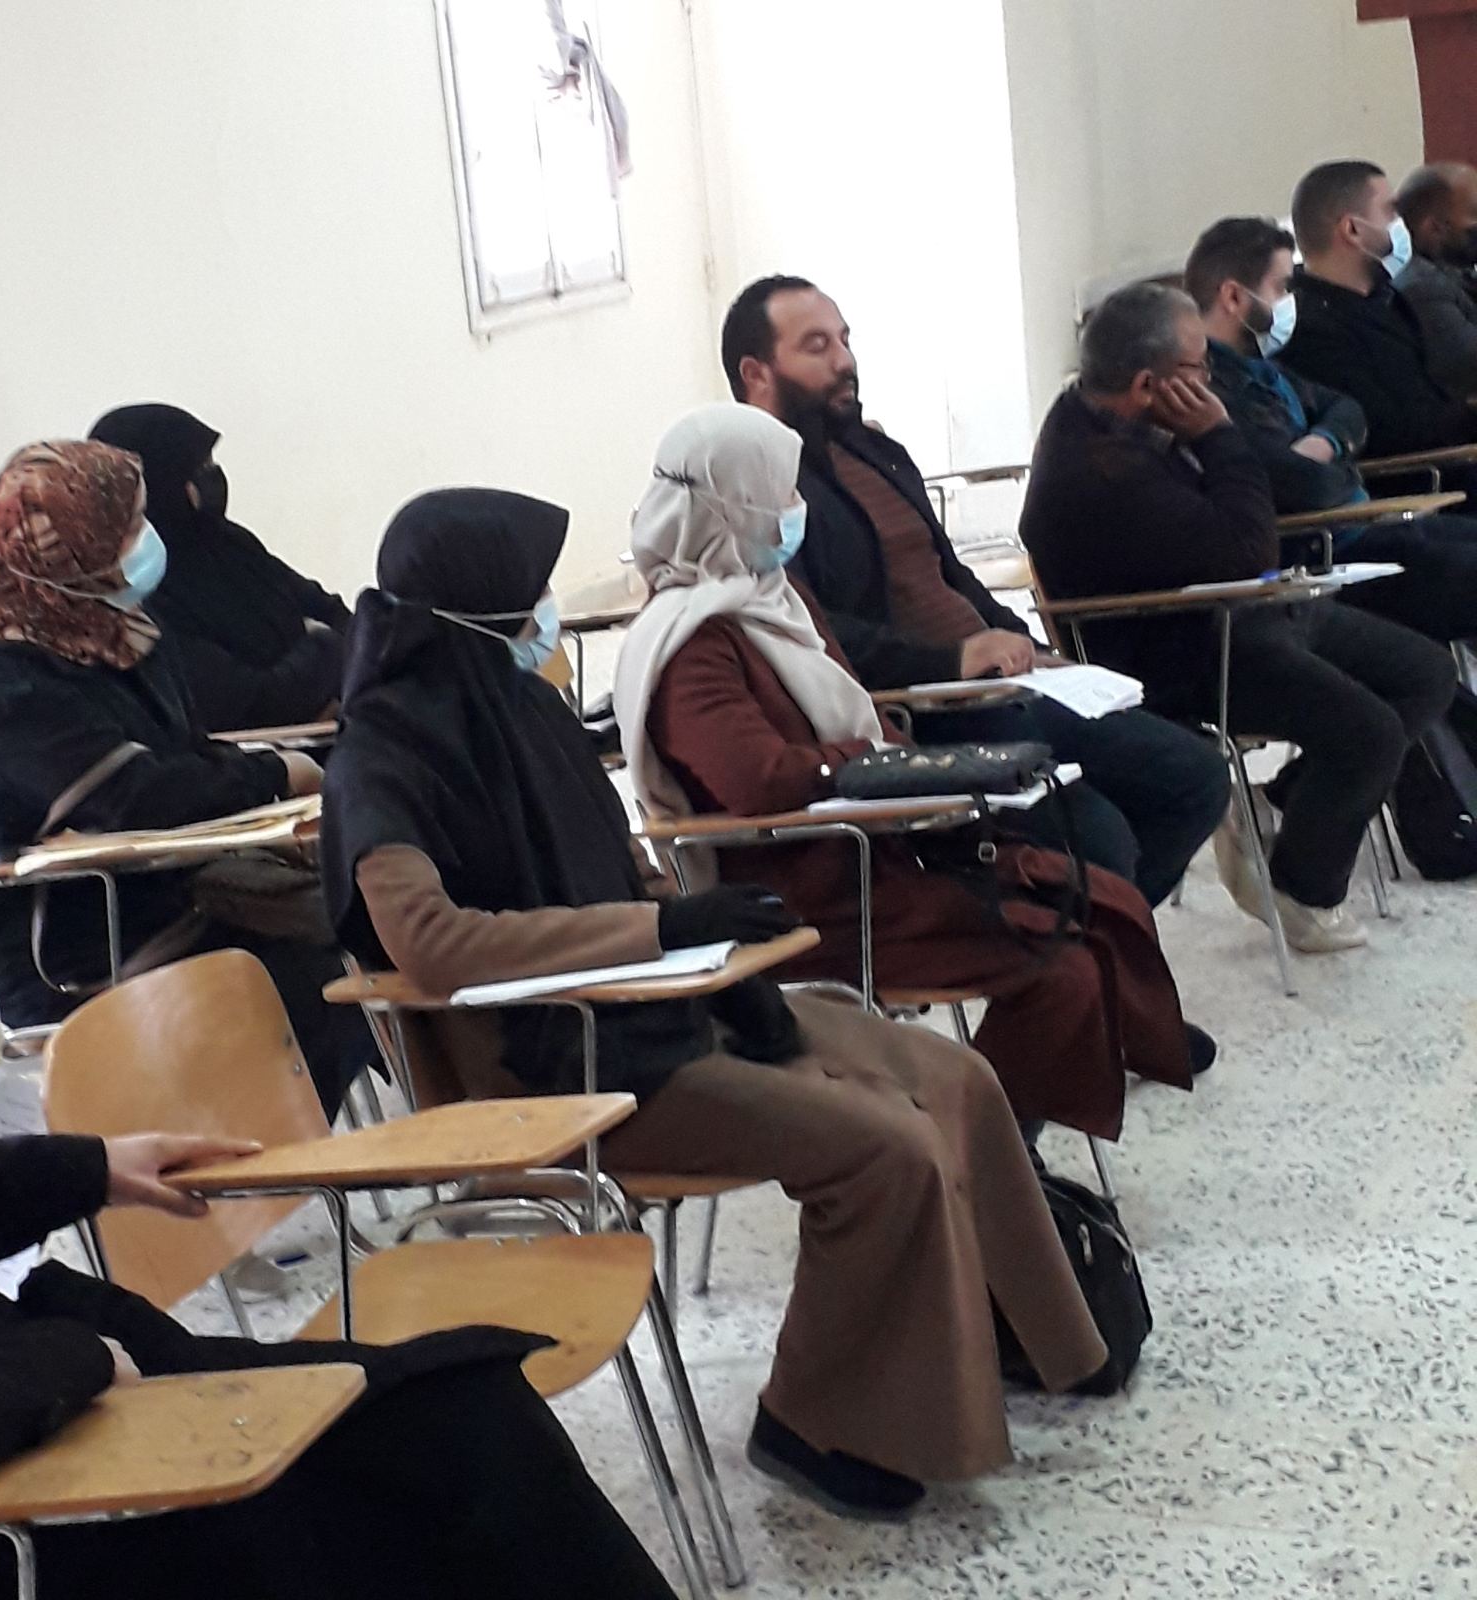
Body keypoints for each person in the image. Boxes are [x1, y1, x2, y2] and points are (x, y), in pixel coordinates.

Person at [320, 485, 1109, 1520]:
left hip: (660, 1006)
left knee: (953, 1076)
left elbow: (618, 871)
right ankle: (811, 1419)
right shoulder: (379, 758)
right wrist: (658, 934)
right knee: (884, 1147)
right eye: (530, 595)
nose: (547, 615)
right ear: (473, 613)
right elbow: (432, 945)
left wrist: (715, 953)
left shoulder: (524, 712)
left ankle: (1028, 1337)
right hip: (558, 1062)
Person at [613, 401, 1198, 1134]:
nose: (794, 510)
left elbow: (855, 712)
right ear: (733, 507)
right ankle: (977, 1154)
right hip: (807, 890)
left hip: (880, 854)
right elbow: (758, 780)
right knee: (1063, 963)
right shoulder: (690, 643)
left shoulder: (775, 601)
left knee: (1099, 900)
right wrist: (870, 763)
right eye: (779, 493)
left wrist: (920, 768)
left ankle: (994, 1145)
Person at [0, 1126, 679, 1600]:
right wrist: (66, 1356)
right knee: (440, 1468)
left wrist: (88, 1166)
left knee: (462, 1413)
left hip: (27, 1405)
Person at [719, 274, 1229, 911]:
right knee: (1101, 839)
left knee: (1197, 777)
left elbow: (948, 574)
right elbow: (802, 633)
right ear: (756, 373)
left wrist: (1021, 642)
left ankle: (1091, 945)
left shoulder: (874, 451)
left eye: (845, 340)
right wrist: (951, 661)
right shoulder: (754, 490)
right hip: (923, 711)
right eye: (816, 346)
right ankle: (1073, 948)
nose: (844, 360)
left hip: (999, 686)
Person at [0, 440, 370, 1115]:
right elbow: (137, 797)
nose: (145, 538)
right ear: (73, 547)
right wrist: (276, 774)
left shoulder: (111, 626)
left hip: (162, 888)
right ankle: (257, 1159)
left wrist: (268, 779)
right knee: (310, 985)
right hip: (70, 940)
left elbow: (180, 755)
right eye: (128, 524)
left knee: (361, 918)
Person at [1020, 282, 1456, 953]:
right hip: (1185, 648)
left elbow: (1275, 505)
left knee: (1424, 673)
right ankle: (1302, 889)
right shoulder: (1099, 466)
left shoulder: (1140, 420)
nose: (1210, 382)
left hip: (1245, 612)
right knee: (1368, 733)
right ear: (1149, 384)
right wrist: (1220, 435)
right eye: (1200, 367)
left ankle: (1291, 806)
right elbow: (1249, 546)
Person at [1188, 214, 1477, 644]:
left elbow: (1348, 410)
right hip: (1329, 555)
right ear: (1233, 296)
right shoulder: (1209, 389)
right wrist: (1339, 461)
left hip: (1370, 525)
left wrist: (1324, 442)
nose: (1291, 302)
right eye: (1282, 288)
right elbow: (1304, 485)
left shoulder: (1267, 368)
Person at [89, 404, 351, 731]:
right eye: (198, 467)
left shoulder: (228, 542)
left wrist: (326, 652)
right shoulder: (139, 586)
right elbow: (256, 703)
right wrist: (326, 645)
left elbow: (339, 616)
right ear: (159, 480)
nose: (212, 476)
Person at [1281, 160, 1477, 468]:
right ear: (1353, 229)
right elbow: (1390, 432)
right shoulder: (1309, 328)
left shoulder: (1387, 298)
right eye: (1391, 213)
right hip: (1424, 477)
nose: (1403, 224)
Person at [1395, 164, 1477, 400]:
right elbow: (1470, 366)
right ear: (1434, 228)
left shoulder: (1456, 272)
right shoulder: (1422, 287)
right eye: (1474, 212)